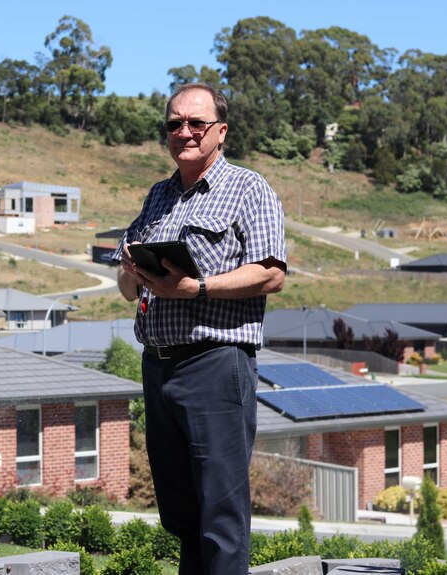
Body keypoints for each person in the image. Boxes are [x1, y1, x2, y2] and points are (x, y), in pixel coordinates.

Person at [113, 83, 286, 575]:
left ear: (221, 131)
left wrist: (199, 288)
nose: (183, 132)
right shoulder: (157, 196)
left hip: (215, 364)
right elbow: (128, 290)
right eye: (174, 124)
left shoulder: (249, 189)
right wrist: (131, 267)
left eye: (196, 124)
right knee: (181, 515)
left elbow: (272, 273)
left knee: (221, 516)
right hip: (159, 368)